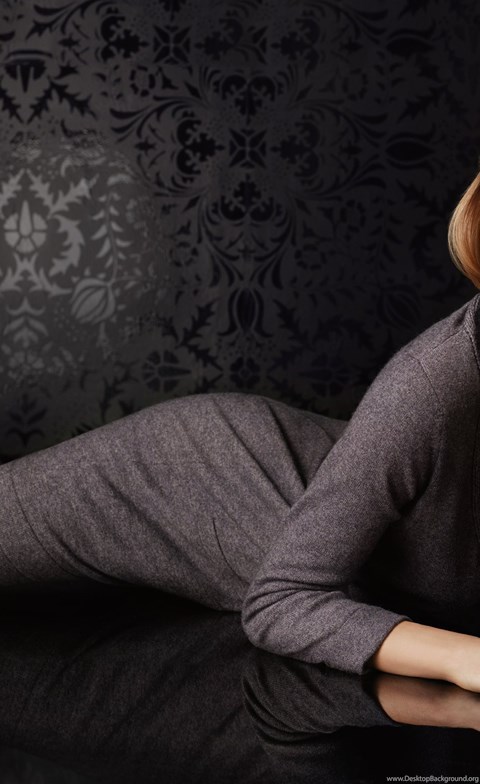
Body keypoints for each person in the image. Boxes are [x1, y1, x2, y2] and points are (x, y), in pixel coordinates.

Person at [2, 173, 480, 695]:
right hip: (196, 473)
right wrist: (464, 657)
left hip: (313, 475)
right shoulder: (434, 381)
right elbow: (282, 600)